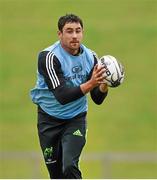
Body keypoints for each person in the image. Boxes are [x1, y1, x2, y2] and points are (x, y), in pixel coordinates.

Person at [30, 13, 108, 179]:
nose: (74, 36)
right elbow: (62, 96)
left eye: (78, 31)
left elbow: (97, 99)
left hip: (75, 118)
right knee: (56, 174)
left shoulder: (91, 57)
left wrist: (104, 83)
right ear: (60, 34)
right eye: (69, 31)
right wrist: (92, 82)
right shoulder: (49, 57)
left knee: (69, 165)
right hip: (48, 120)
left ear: (83, 32)